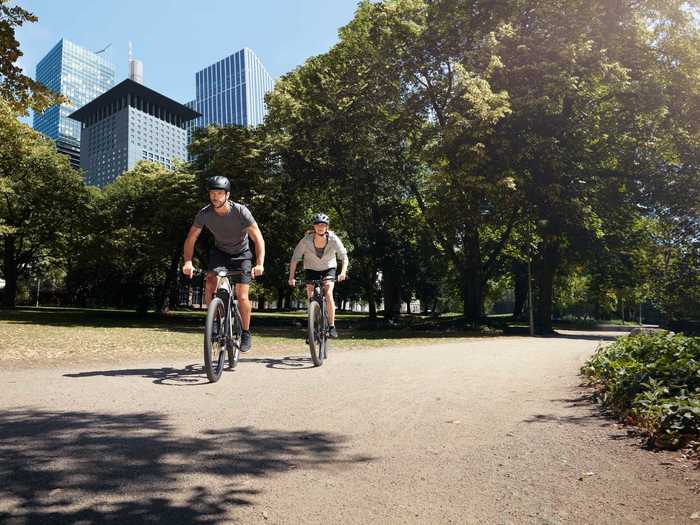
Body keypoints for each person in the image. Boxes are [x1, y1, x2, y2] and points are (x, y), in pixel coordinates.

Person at [182, 176, 265, 353]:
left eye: (219, 193)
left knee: (242, 296)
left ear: (227, 195)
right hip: (220, 253)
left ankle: (245, 332)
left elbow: (258, 239)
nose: (215, 197)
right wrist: (188, 261)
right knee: (210, 281)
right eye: (212, 193)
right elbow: (191, 238)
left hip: (242, 255)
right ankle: (213, 321)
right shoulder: (204, 213)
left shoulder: (241, 212)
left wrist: (259, 263)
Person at [288, 213, 348, 338]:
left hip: (329, 268)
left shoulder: (333, 239)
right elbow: (295, 258)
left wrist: (343, 272)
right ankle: (312, 327)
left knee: (328, 292)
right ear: (314, 227)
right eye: (317, 225)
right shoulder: (306, 240)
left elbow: (344, 256)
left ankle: (331, 326)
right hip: (311, 268)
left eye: (323, 225)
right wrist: (291, 277)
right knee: (310, 294)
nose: (320, 227)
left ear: (327, 227)